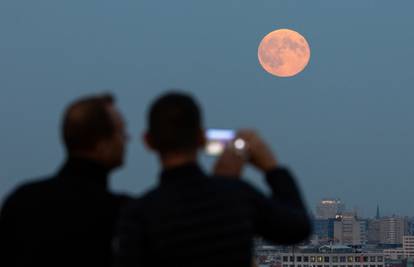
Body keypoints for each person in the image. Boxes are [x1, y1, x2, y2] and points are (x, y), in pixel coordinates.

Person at [113, 91, 311, 267]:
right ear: (201, 138)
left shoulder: (139, 214)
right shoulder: (237, 196)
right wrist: (272, 168)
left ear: (148, 141)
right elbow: (297, 228)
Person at [0, 93, 130, 267]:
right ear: (102, 143)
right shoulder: (122, 214)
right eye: (121, 132)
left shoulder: (20, 201)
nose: (126, 139)